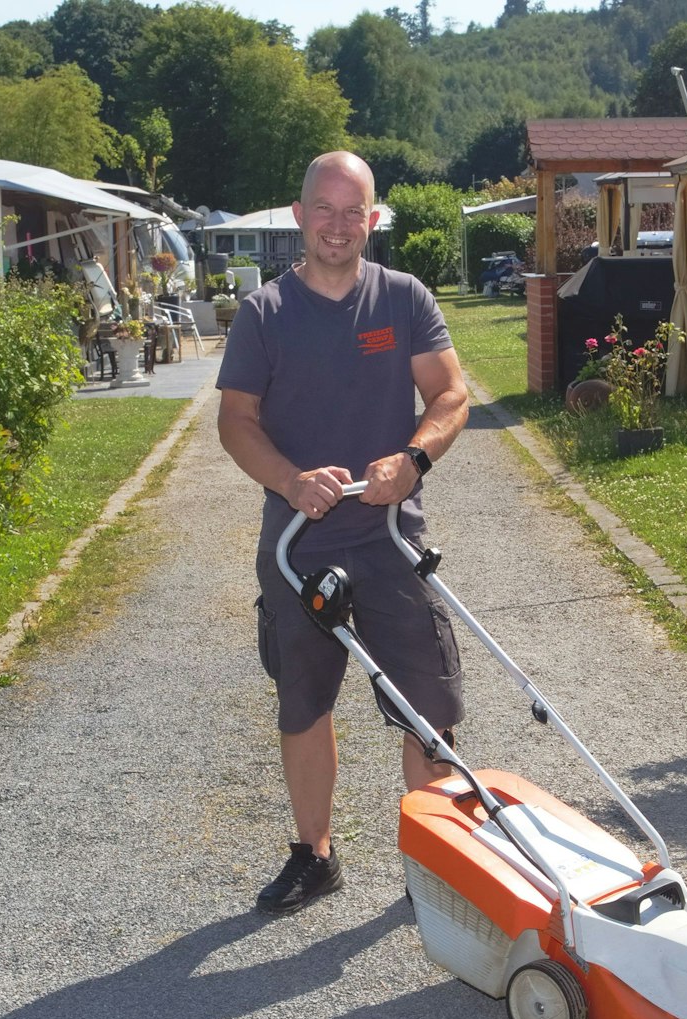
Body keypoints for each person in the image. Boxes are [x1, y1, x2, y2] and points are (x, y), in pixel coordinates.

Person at [216, 151, 471, 916]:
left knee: (429, 703)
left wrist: (414, 457)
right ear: (299, 216)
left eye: (350, 209)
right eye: (321, 208)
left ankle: (440, 861)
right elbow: (236, 423)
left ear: (373, 217)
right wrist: (292, 481)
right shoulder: (264, 314)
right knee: (305, 702)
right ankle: (315, 855)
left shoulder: (404, 300)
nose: (335, 223)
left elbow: (452, 393)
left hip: (391, 536)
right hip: (300, 548)